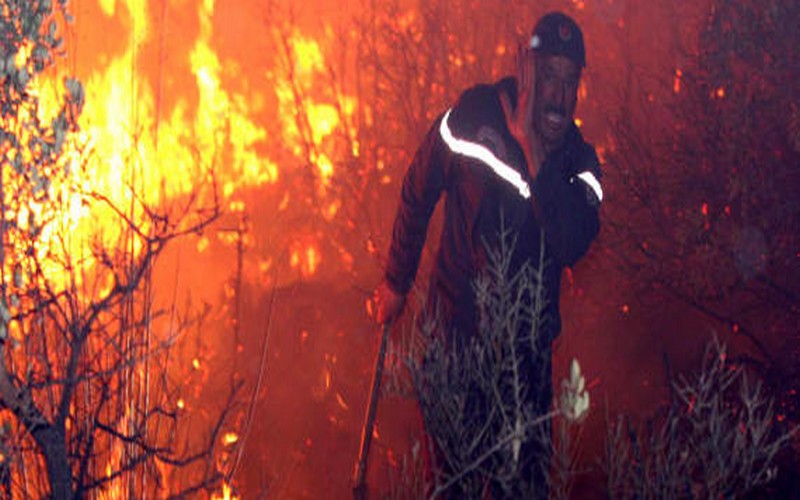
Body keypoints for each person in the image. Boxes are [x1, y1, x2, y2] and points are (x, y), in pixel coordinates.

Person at [373, 11, 603, 495]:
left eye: (570, 81)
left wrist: (534, 156)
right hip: (454, 345)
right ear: (527, 72)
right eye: (549, 77)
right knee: (451, 486)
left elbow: (571, 242)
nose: (559, 97)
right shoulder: (473, 117)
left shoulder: (581, 163)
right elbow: (419, 188)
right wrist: (396, 280)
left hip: (525, 368)